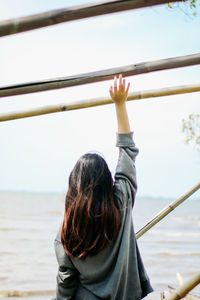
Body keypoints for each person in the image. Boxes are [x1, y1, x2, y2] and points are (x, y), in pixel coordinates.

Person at [54, 75, 153, 300]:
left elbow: (65, 287)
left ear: (73, 189)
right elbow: (127, 150)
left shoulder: (65, 234)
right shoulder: (121, 202)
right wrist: (120, 103)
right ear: (106, 182)